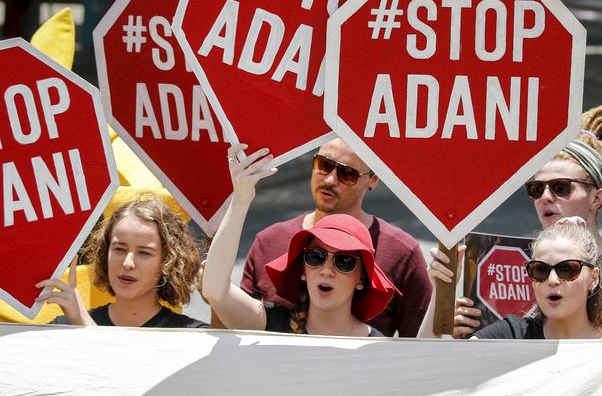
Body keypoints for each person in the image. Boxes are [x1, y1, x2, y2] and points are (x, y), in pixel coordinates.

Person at [433, 104, 602, 337]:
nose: (545, 197)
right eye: (536, 189)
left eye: (560, 187)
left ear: (597, 197)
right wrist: (452, 326)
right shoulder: (506, 262)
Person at [239, 137, 431, 337]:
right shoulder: (268, 240)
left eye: (347, 173)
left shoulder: (403, 252)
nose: (330, 180)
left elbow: (423, 349)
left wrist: (454, 322)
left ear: (373, 180)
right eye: (324, 164)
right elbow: (230, 331)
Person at [202, 145, 397, 336]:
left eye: (343, 261)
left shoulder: (377, 348)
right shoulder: (272, 323)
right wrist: (241, 200)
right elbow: (215, 291)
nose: (327, 270)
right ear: (303, 269)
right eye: (316, 257)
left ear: (361, 278)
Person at [419, 219, 602, 345]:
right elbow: (428, 367)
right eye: (540, 270)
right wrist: (440, 290)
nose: (552, 280)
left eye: (567, 269)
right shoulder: (510, 334)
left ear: (594, 278)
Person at [40, 198, 208, 328]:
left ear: (167, 262)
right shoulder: (64, 328)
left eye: (144, 253)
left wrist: (85, 326)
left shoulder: (191, 337)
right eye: (119, 249)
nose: (128, 263)